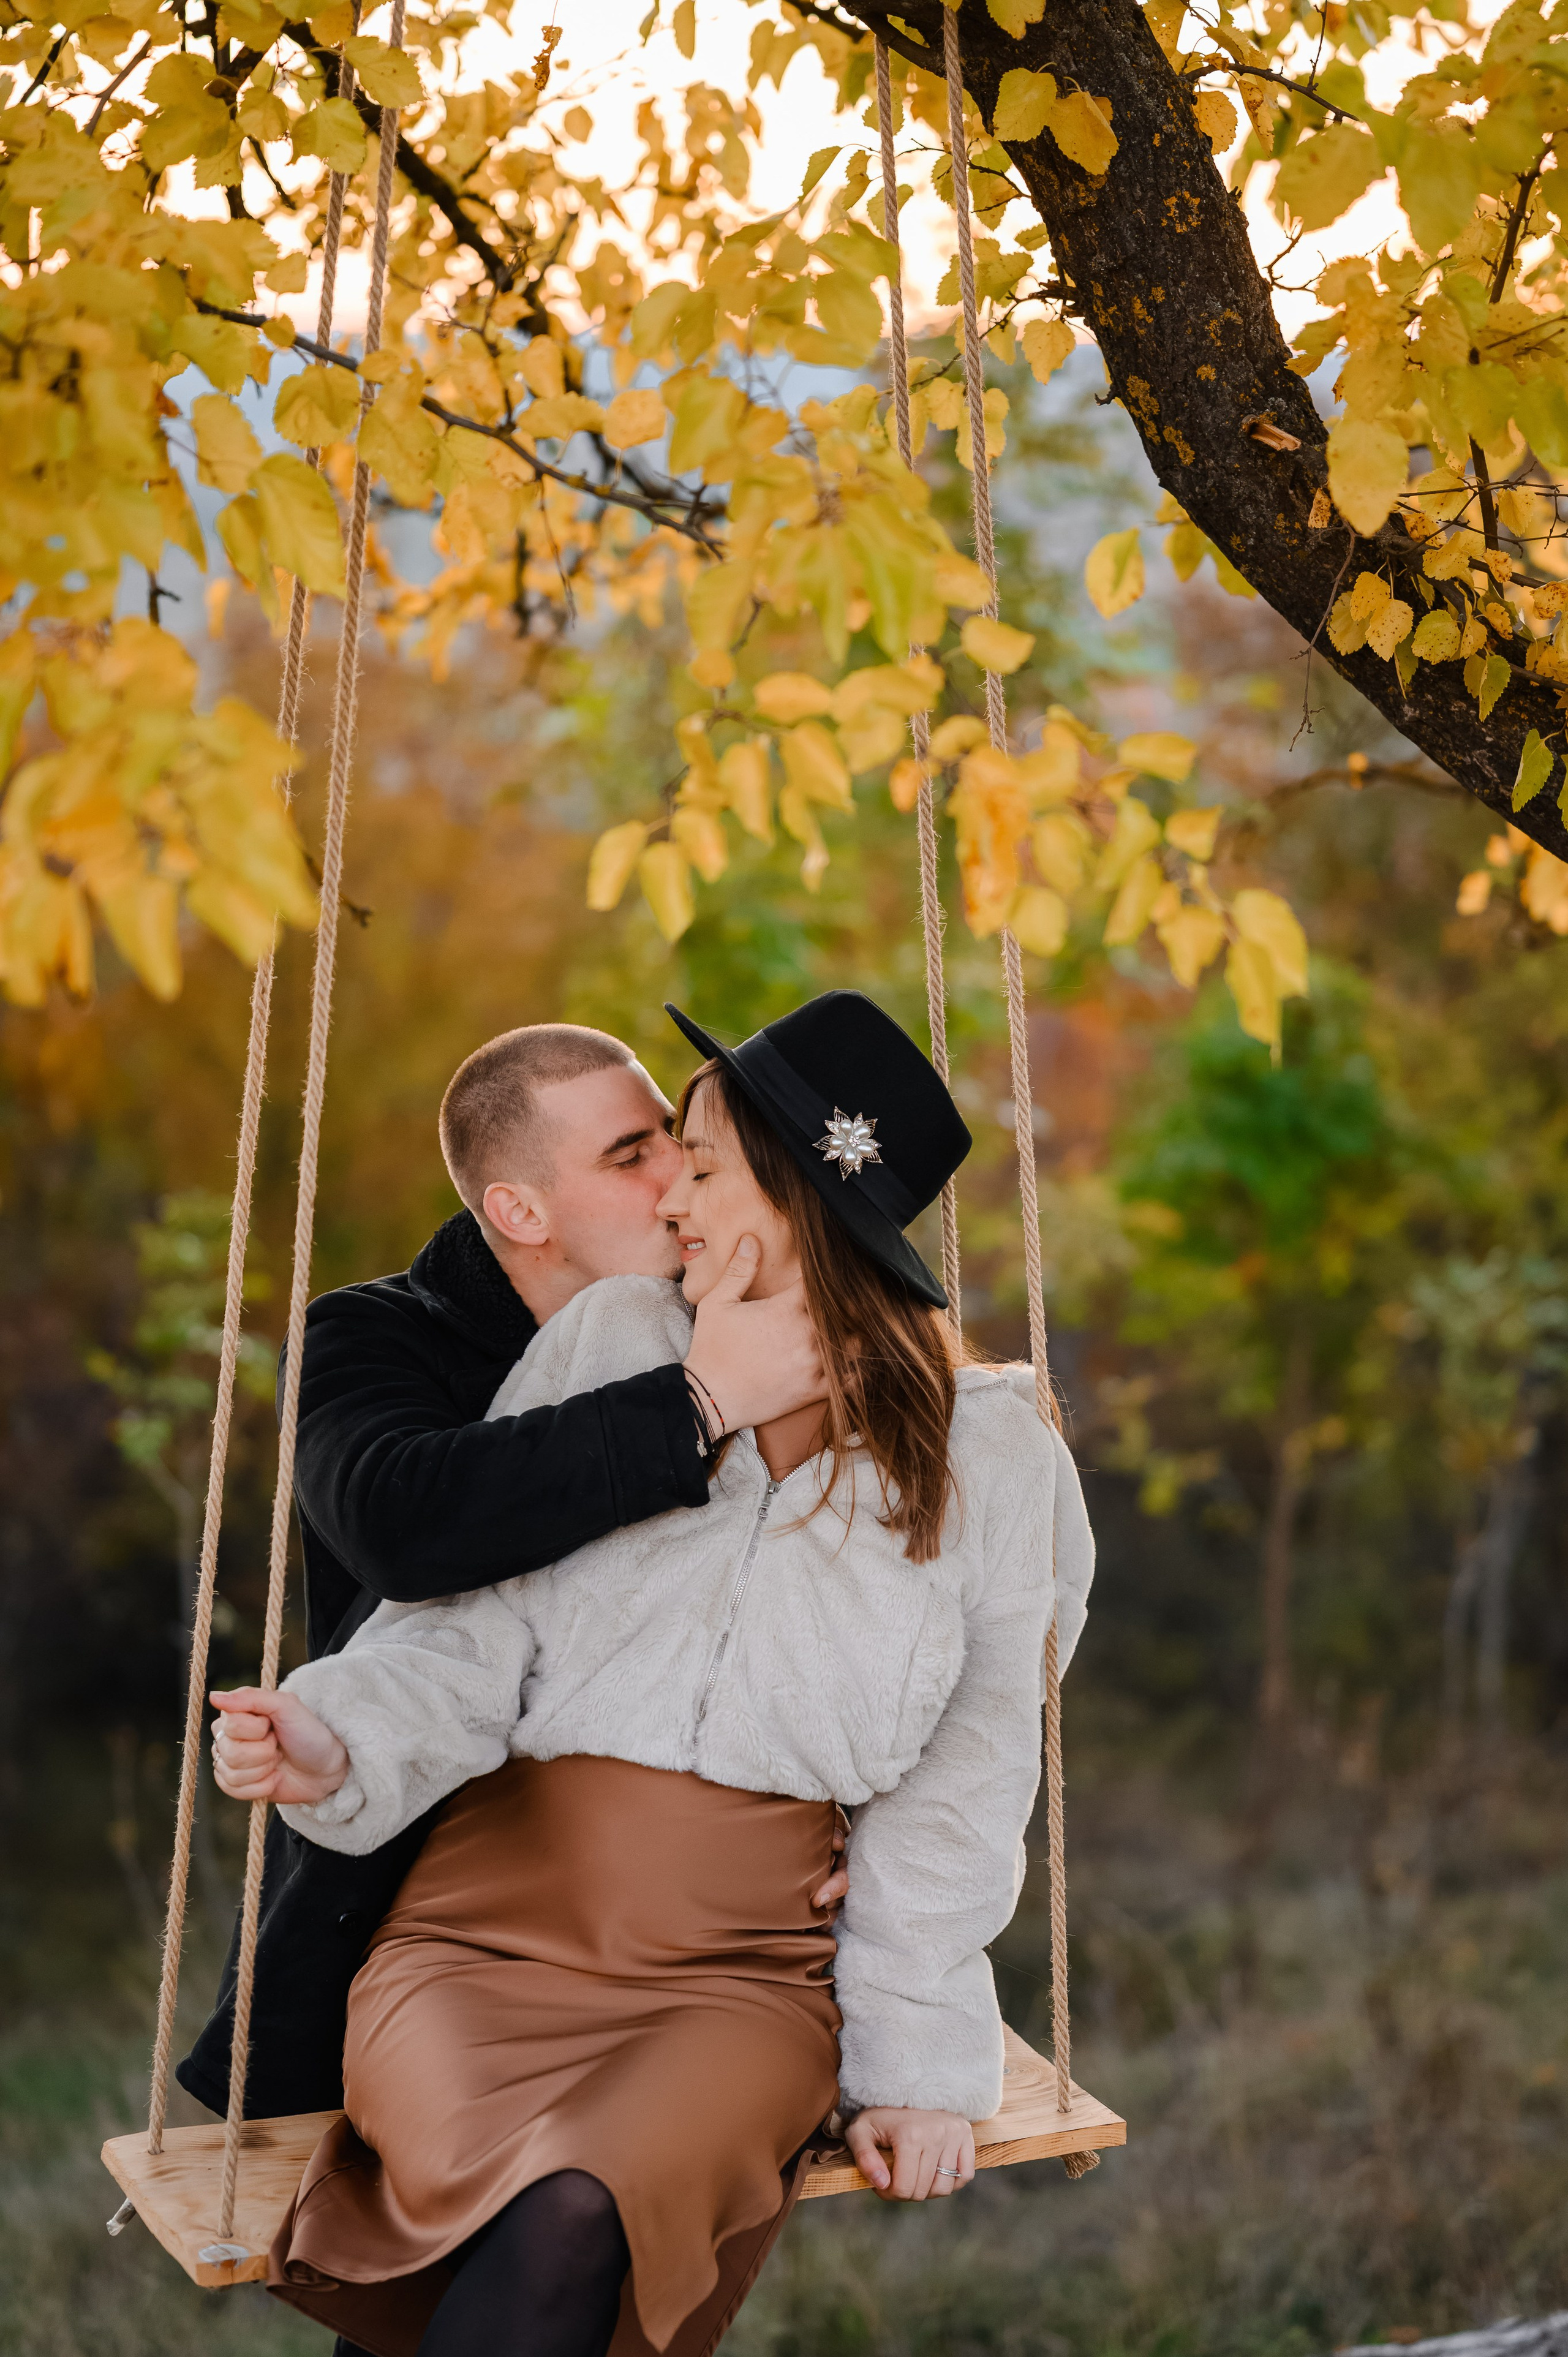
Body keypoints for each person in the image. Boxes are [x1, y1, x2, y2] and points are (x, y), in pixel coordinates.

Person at [211, 990, 1096, 2357]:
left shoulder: (992, 1452)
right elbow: (463, 1627)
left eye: (699, 1161)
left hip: (739, 1972)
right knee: (513, 2210)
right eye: (656, 1157)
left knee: (577, 2199)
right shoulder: (619, 1343)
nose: (674, 1193)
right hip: (481, 1940)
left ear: (798, 1196)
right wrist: (339, 1739)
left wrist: (914, 2061)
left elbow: (969, 1771)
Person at [179, 1021, 833, 2121]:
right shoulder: (373, 1336)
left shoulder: (727, 1310)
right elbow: (403, 1525)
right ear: (519, 1211)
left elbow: (846, 1601)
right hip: (431, 1869)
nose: (679, 1177)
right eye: (632, 1157)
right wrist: (697, 1407)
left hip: (689, 1900)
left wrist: (842, 1823)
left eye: (676, 1140)